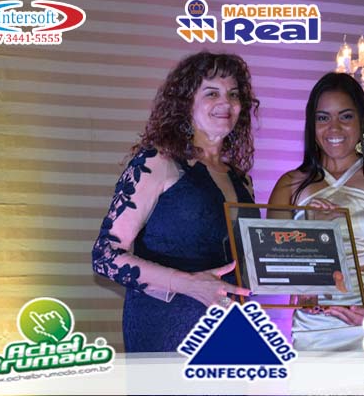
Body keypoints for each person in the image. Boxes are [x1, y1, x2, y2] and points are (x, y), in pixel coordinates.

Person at [92, 52, 259, 352]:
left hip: (228, 333)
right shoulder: (157, 161)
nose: (226, 102)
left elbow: (250, 262)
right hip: (166, 329)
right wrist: (189, 284)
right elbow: (105, 256)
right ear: (186, 103)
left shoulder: (241, 180)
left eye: (233, 94)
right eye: (212, 93)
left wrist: (313, 266)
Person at [268, 72, 364, 351]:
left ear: (362, 120)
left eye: (345, 116)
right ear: (311, 124)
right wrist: (311, 232)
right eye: (323, 118)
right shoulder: (289, 185)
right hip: (315, 329)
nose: (334, 128)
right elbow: (275, 268)